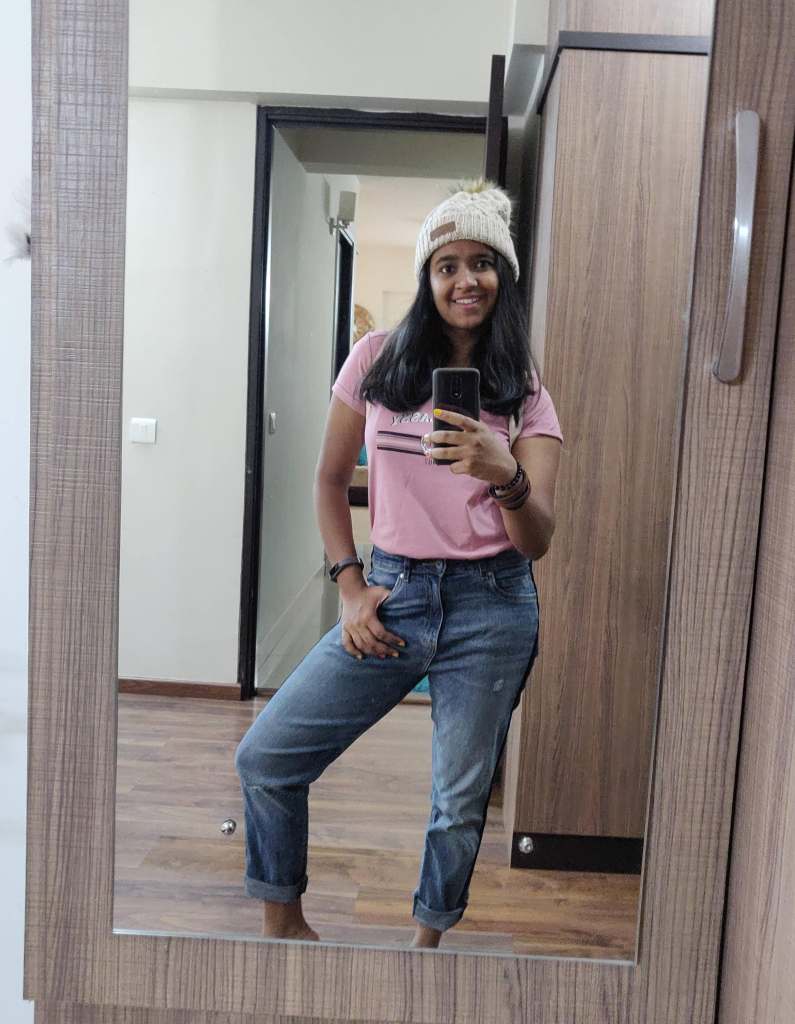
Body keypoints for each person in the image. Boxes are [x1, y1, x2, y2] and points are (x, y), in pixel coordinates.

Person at [234, 179, 564, 949]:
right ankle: (285, 931)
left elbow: (536, 538)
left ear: (503, 276)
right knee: (267, 757)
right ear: (427, 277)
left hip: (493, 606)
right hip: (393, 594)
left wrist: (503, 472)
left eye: (481, 263)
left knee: (457, 800)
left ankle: (424, 950)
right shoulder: (375, 359)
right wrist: (350, 587)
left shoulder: (524, 394)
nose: (464, 280)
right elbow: (327, 480)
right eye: (446, 265)